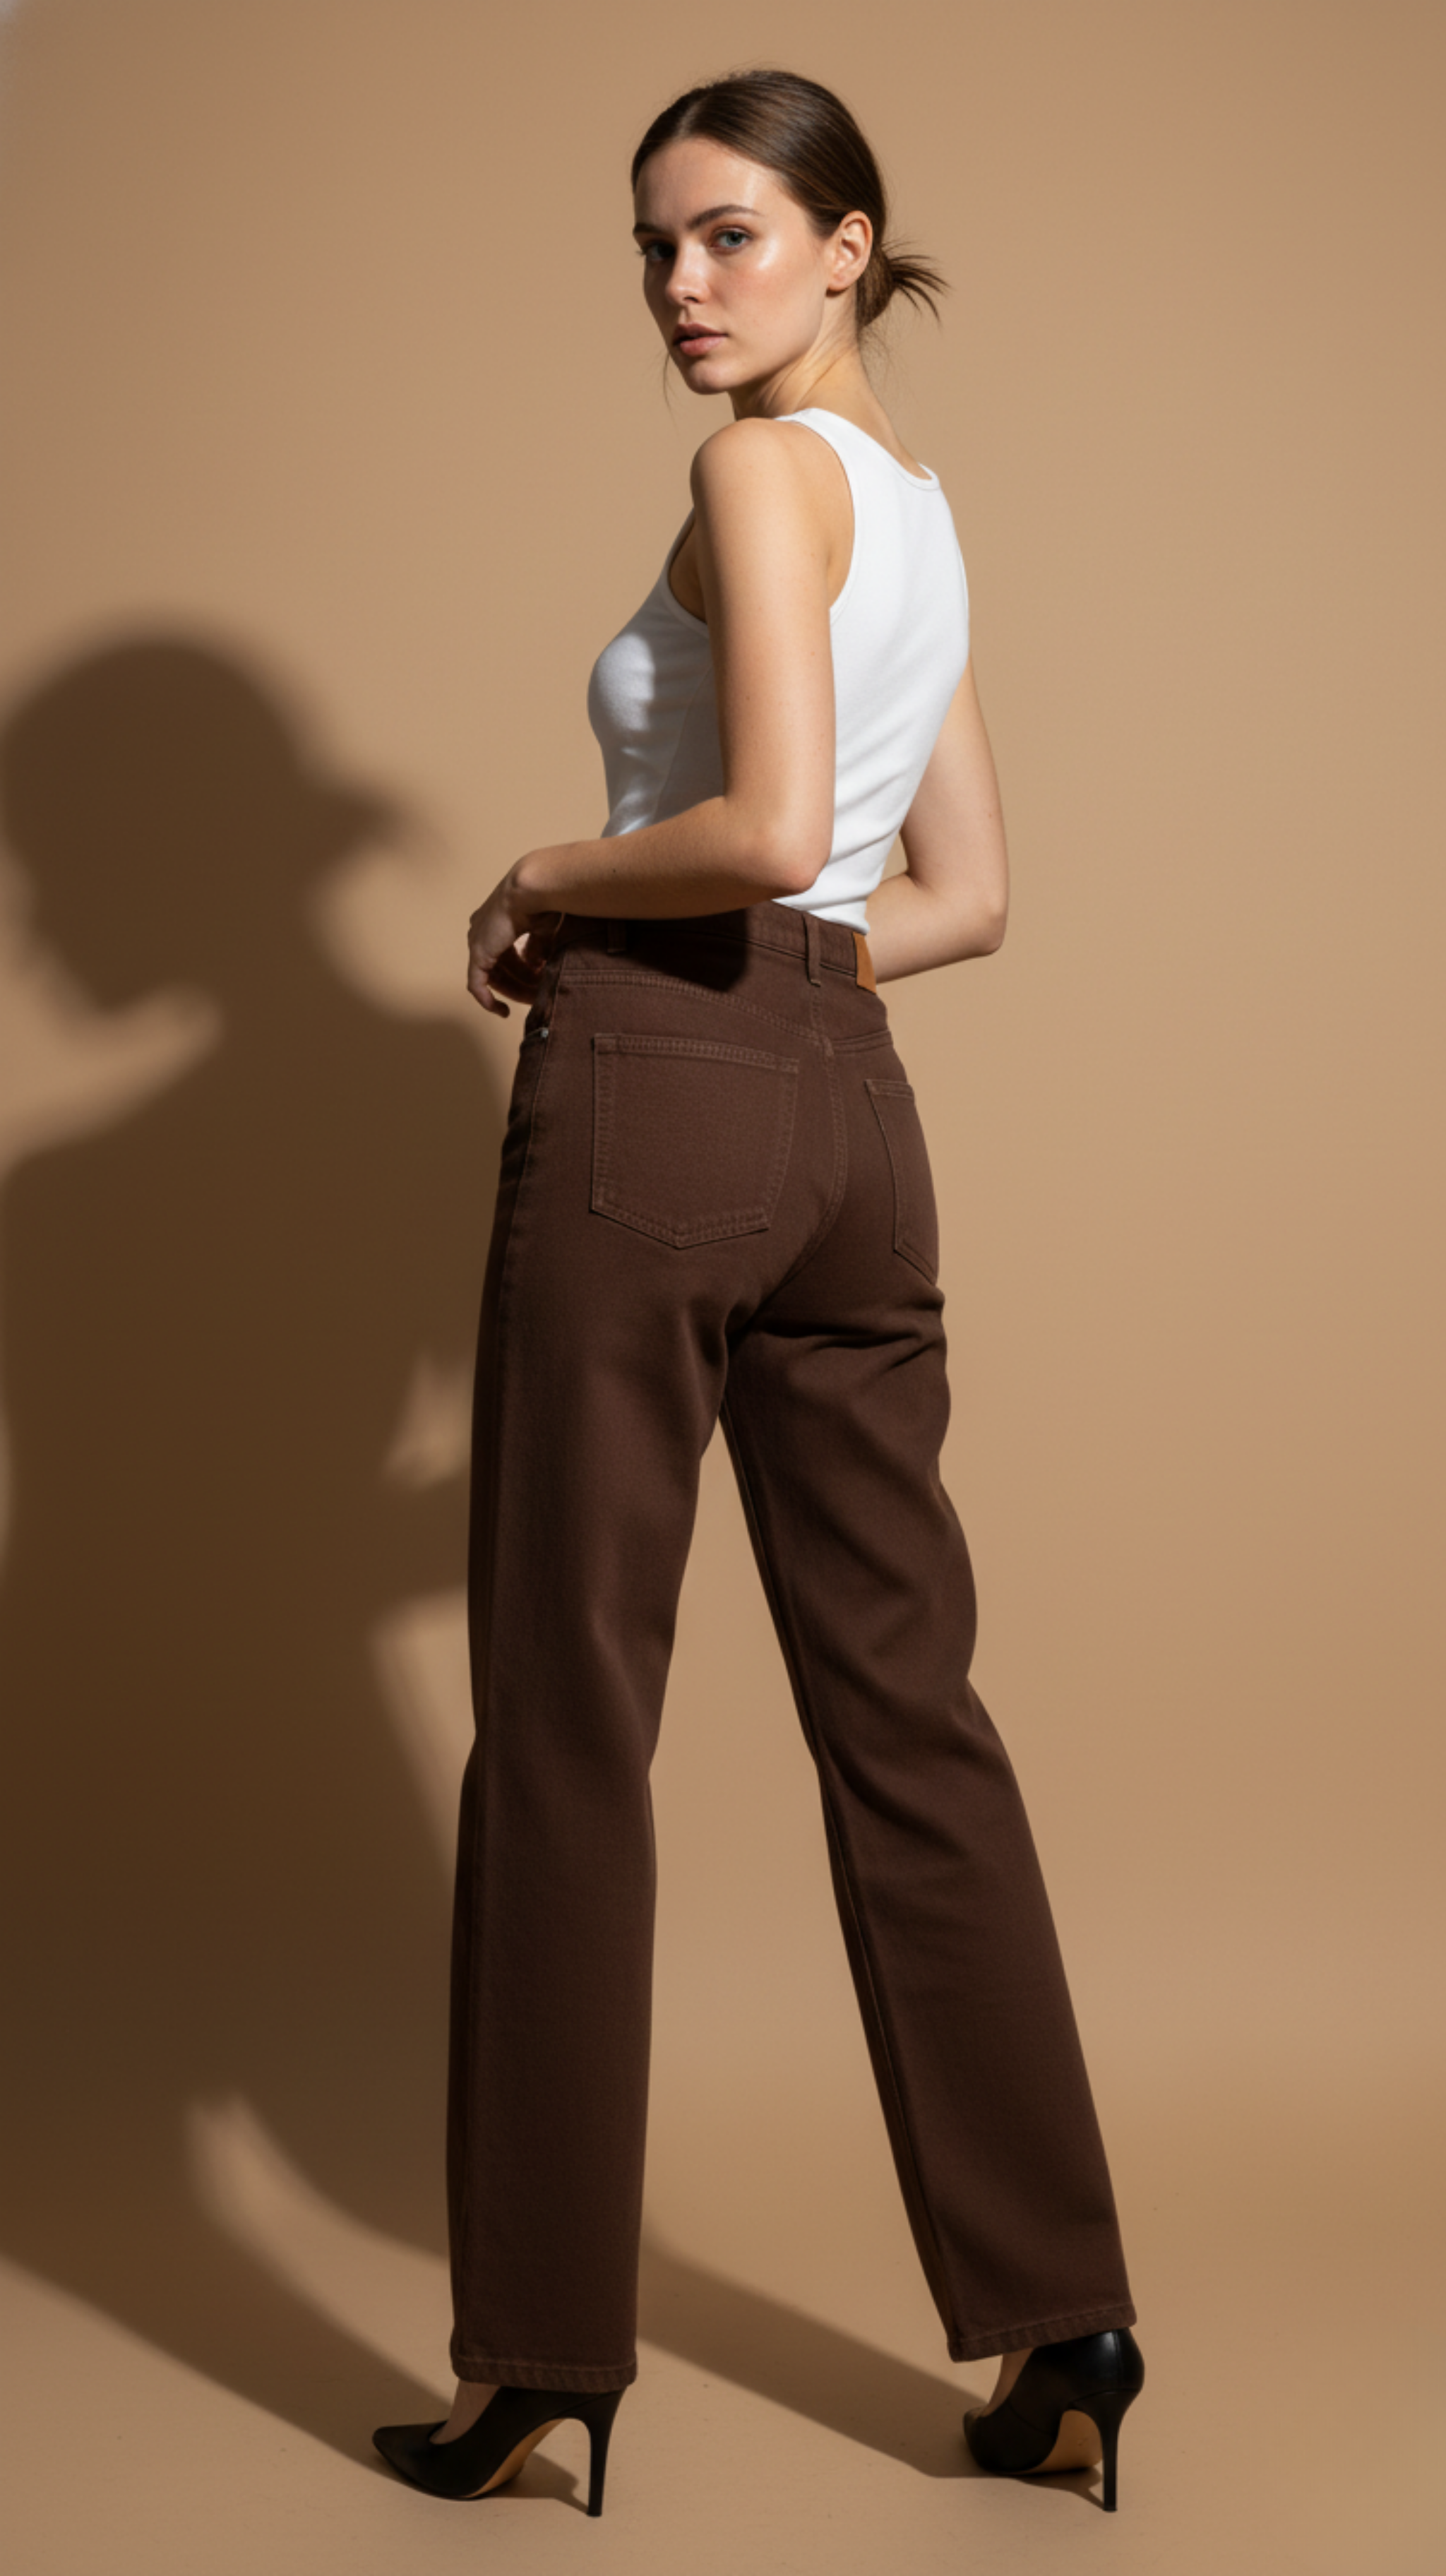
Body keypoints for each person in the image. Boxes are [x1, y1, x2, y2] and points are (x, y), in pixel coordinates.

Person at [373, 66, 1145, 2520]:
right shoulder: (920, 508)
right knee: (910, 1709)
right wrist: (792, 990)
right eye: (652, 250)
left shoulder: (756, 477)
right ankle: (1062, 2333)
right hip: (851, 1113)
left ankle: (540, 2373)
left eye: (725, 237)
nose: (681, 290)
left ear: (846, 239)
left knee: (569, 1719)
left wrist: (536, 874)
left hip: (663, 1079)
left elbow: (765, 824)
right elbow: (960, 894)